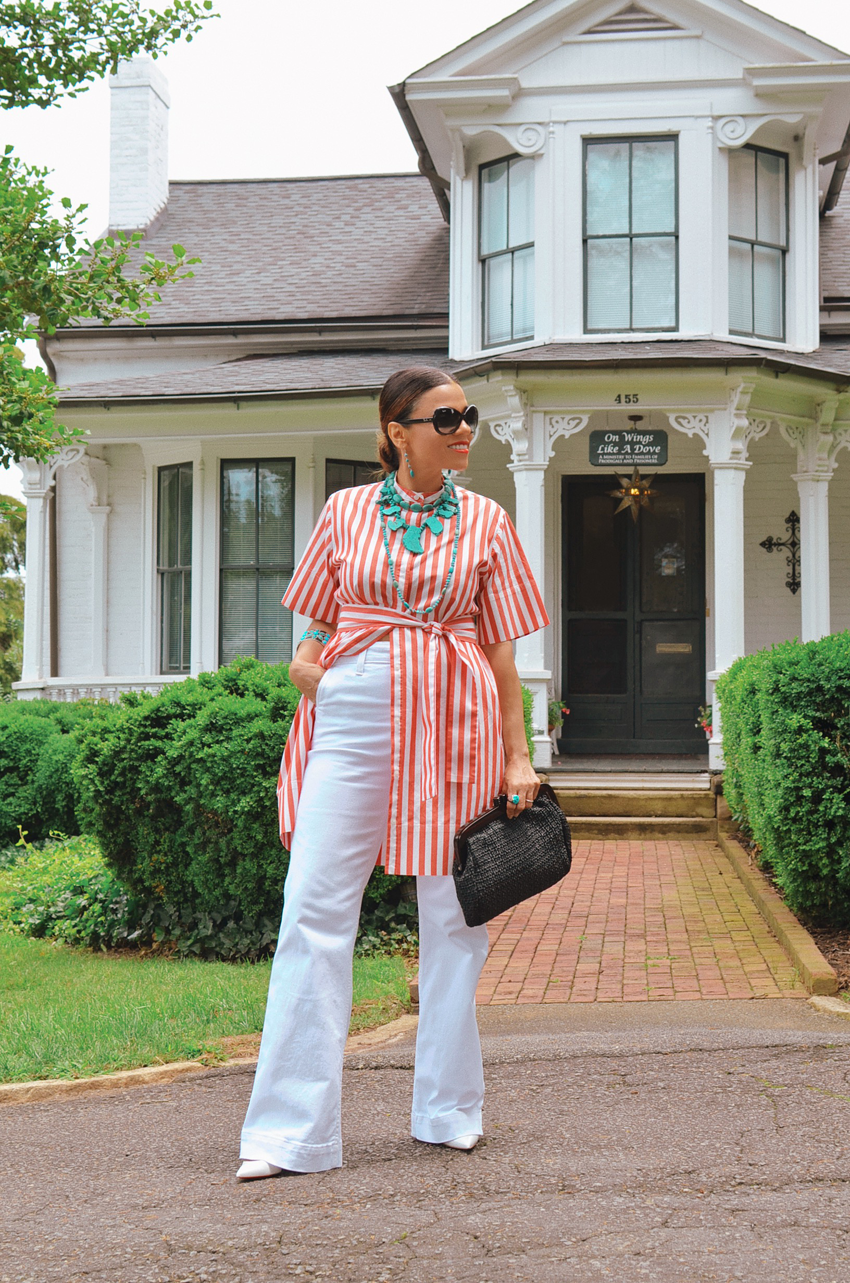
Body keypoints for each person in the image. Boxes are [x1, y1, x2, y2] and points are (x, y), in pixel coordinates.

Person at [237, 366, 549, 1180]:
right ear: (397, 431)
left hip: (458, 724)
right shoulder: (343, 513)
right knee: (312, 909)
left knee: (454, 917)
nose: (464, 428)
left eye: (469, 414)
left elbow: (503, 650)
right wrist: (322, 678)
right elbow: (308, 632)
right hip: (354, 718)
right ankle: (287, 1134)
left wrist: (520, 753)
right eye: (446, 417)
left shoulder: (487, 518)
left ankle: (449, 1109)